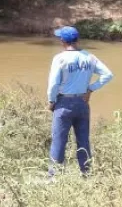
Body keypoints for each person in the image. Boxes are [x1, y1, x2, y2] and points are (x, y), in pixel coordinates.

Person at [46, 26, 113, 177]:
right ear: (77, 40)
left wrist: (51, 101)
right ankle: (87, 175)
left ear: (63, 41)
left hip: (63, 103)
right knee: (83, 141)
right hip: (83, 103)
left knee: (59, 142)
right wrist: (90, 89)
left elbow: (54, 84)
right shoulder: (89, 57)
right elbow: (108, 75)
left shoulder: (59, 59)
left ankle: (54, 179)